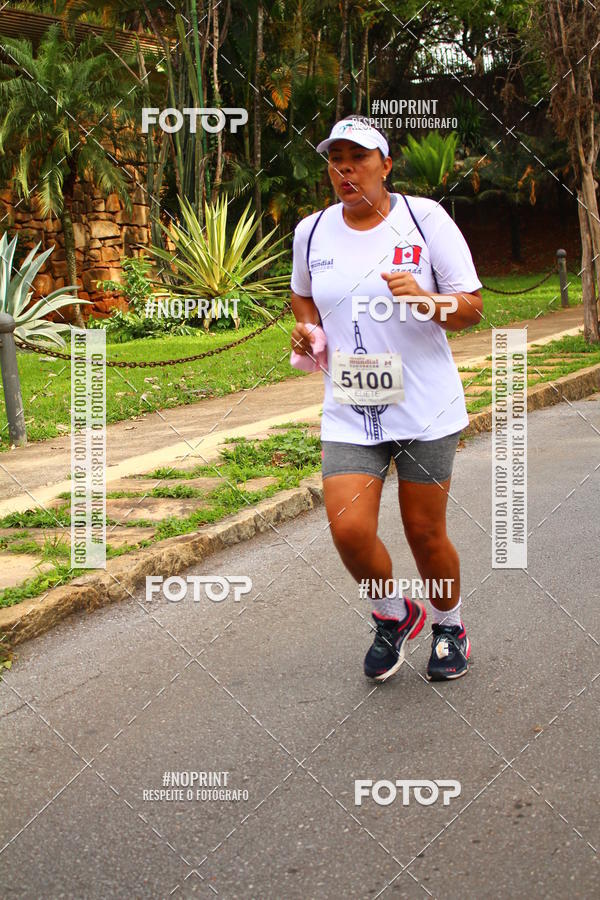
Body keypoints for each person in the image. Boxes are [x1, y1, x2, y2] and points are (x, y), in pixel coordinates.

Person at [289, 115, 483, 682]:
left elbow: (471, 306)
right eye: (336, 160)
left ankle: (449, 626)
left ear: (386, 165)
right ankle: (395, 614)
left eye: (359, 158)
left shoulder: (425, 220)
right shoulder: (312, 231)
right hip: (351, 404)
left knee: (425, 532)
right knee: (348, 530)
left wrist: (425, 300)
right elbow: (302, 295)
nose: (346, 170)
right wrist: (309, 332)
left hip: (425, 406)